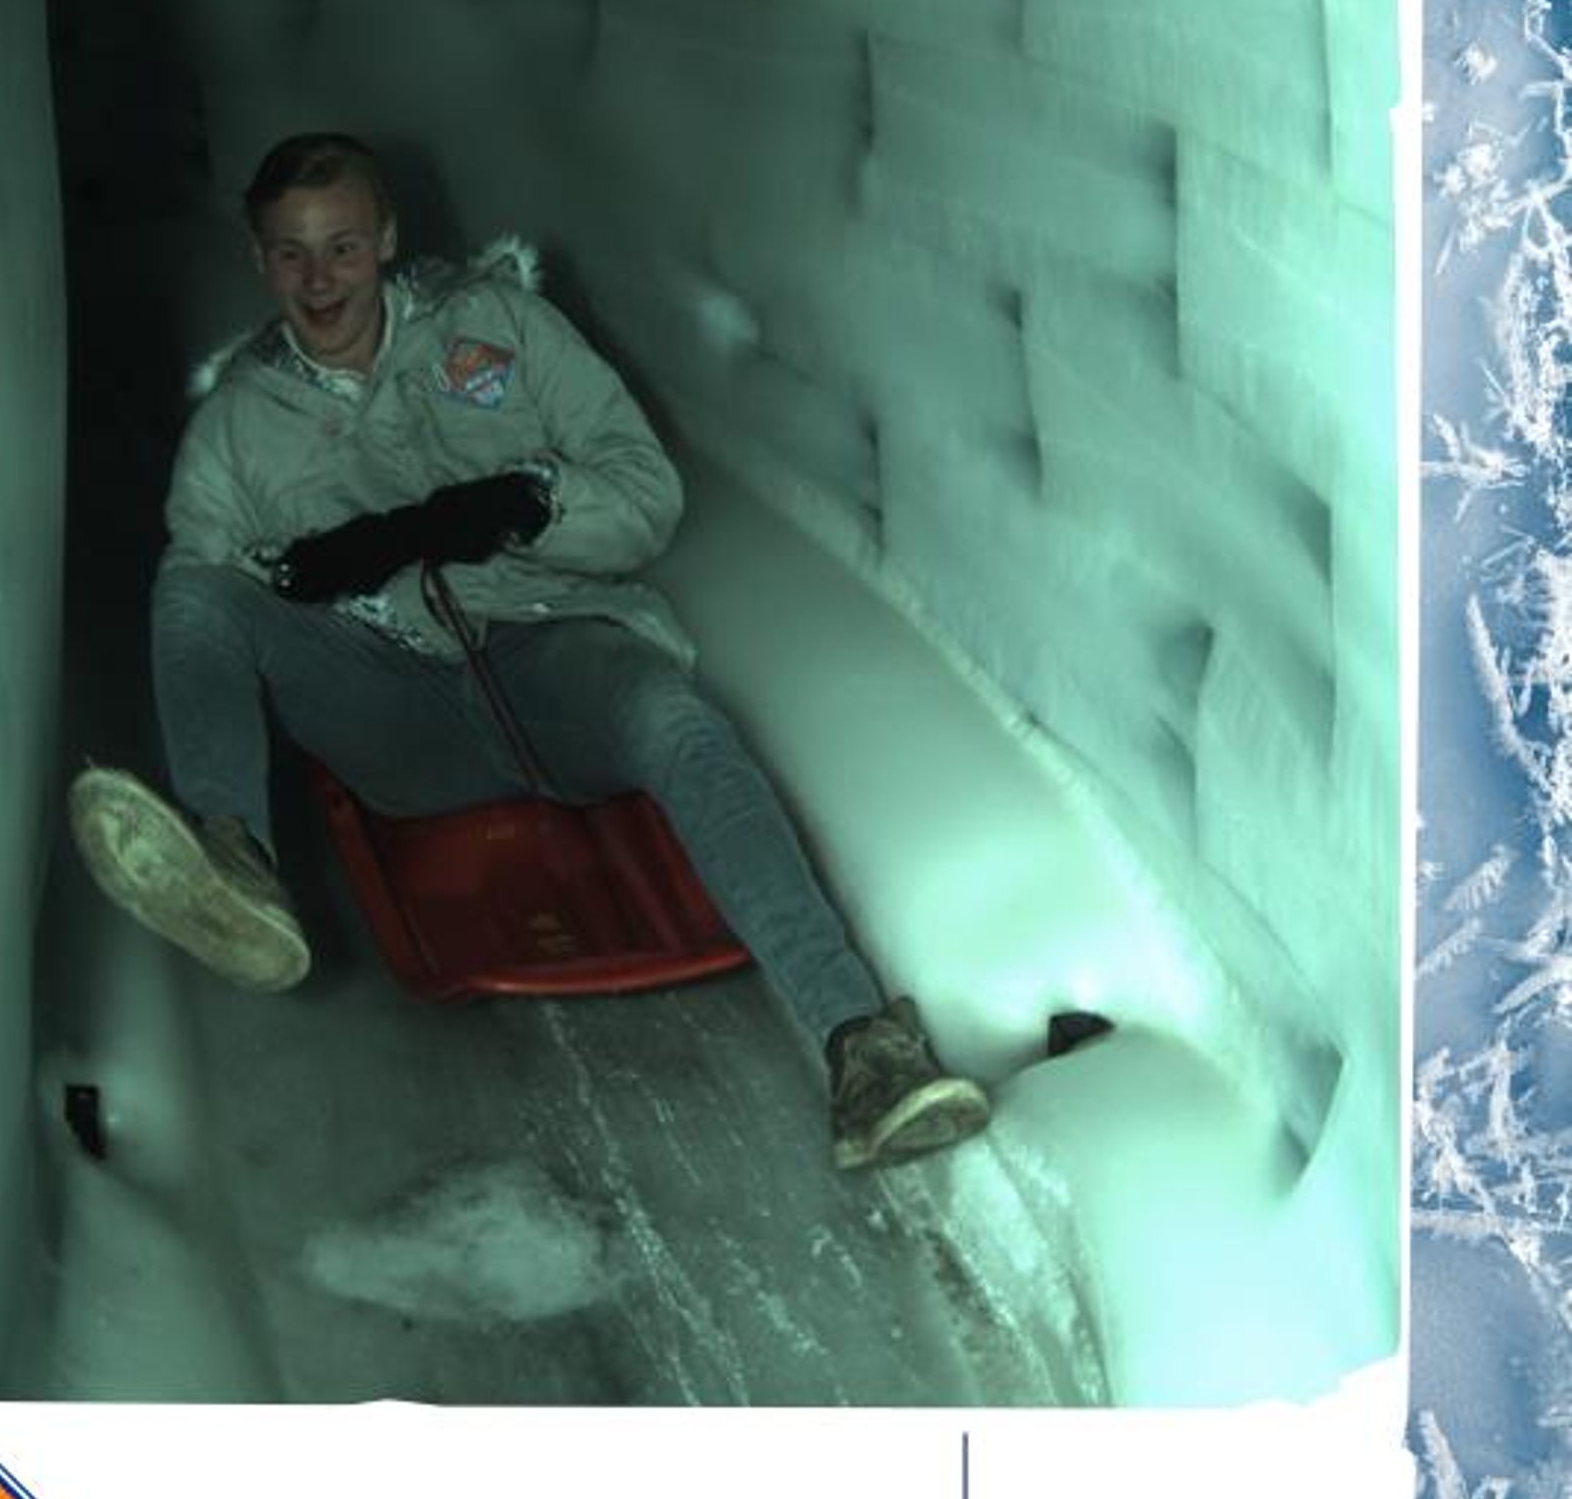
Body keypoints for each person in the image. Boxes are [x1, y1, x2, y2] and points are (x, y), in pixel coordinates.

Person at [69, 132, 990, 1170]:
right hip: (392, 707)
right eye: (291, 253)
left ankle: (861, 1047)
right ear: (260, 260)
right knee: (193, 584)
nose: (319, 279)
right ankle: (235, 859)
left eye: (341, 247)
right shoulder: (240, 425)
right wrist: (307, 578)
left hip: (551, 650)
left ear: (385, 240)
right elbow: (206, 599)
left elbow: (645, 495)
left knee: (673, 720)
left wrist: (517, 505)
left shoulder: (496, 329)